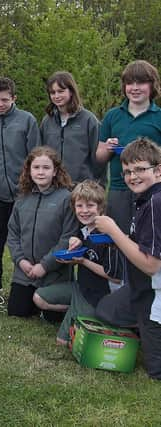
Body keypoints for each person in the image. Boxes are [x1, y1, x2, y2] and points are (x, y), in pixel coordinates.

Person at [94, 137, 161, 380]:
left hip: (155, 294)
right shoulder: (146, 197)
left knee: (157, 372)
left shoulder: (155, 202)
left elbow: (151, 265)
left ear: (159, 170)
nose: (132, 176)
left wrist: (114, 231)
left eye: (140, 169)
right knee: (107, 309)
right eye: (127, 172)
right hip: (142, 288)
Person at [0, 77, 41, 294]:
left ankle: (27, 283)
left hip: (24, 193)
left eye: (4, 100)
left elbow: (35, 156)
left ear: (14, 98)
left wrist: (31, 186)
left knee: (26, 240)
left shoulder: (27, 121)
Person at [43, 180, 122, 346]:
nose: (84, 211)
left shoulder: (107, 236)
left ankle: (90, 315)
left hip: (100, 294)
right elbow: (79, 246)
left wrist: (83, 261)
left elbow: (115, 278)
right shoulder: (84, 231)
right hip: (81, 287)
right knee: (39, 297)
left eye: (90, 206)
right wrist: (74, 246)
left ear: (100, 208)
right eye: (79, 206)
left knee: (62, 342)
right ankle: (76, 309)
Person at [6, 146, 78, 317]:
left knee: (53, 317)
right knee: (17, 312)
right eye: (36, 167)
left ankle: (73, 302)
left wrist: (45, 265)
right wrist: (20, 261)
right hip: (25, 272)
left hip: (54, 273)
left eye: (46, 168)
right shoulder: (22, 198)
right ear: (29, 170)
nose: (41, 172)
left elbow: (67, 237)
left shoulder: (66, 198)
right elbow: (13, 233)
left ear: (55, 171)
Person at [95, 60, 161, 233]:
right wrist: (108, 148)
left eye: (141, 82)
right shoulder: (112, 116)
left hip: (152, 191)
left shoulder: (159, 117)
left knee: (149, 238)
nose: (135, 88)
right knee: (119, 238)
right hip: (119, 189)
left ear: (152, 85)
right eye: (130, 83)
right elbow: (99, 156)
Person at [40, 71, 103, 184]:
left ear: (71, 92)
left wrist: (99, 185)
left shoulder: (89, 120)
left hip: (81, 188)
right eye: (53, 92)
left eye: (61, 91)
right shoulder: (47, 121)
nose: (56, 96)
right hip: (53, 186)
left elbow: (98, 158)